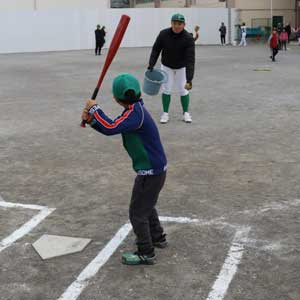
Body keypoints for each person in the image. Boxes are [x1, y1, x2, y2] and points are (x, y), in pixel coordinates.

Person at [81, 73, 168, 265]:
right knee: (146, 205)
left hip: (150, 172)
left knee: (137, 213)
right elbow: (111, 127)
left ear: (116, 97)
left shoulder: (134, 114)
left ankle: (146, 252)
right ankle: (158, 237)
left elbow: (111, 127)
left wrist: (95, 108)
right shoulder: (134, 109)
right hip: (155, 170)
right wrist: (92, 121)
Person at [148, 13, 195, 124]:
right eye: (175, 23)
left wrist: (189, 79)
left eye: (180, 23)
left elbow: (190, 60)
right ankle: (165, 113)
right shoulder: (163, 34)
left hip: (181, 67)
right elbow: (156, 50)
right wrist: (151, 64)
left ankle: (186, 113)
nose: (177, 26)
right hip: (167, 66)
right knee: (166, 90)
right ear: (171, 23)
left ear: (184, 24)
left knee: (183, 90)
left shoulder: (188, 38)